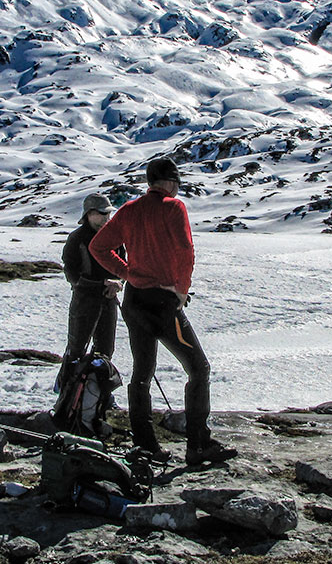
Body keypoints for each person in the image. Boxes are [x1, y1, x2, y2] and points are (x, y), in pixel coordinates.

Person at [89, 157, 236, 466]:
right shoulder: (173, 207)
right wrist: (181, 290)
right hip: (163, 303)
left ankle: (146, 446)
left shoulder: (129, 210)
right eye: (177, 182)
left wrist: (127, 273)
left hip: (134, 301)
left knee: (142, 373)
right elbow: (185, 251)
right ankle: (198, 445)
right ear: (170, 182)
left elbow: (98, 247)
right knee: (198, 368)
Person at [56, 193, 122, 392]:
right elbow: (71, 274)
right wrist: (102, 283)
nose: (106, 218)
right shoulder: (77, 238)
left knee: (105, 351)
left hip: (108, 299)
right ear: (89, 214)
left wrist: (118, 282)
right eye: (102, 213)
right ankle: (66, 392)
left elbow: (124, 266)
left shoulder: (115, 237)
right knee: (76, 349)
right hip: (84, 300)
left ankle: (98, 395)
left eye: (108, 213)